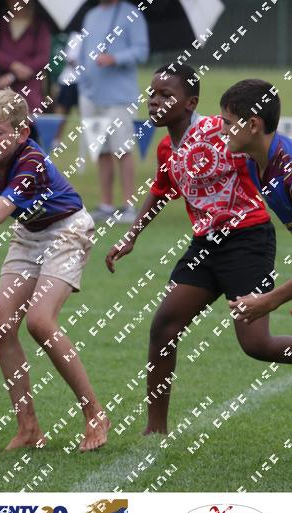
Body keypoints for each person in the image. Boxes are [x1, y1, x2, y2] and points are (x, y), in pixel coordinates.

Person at [105, 65, 292, 435]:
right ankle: (155, 431)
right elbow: (161, 189)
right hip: (206, 245)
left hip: (247, 239)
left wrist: (271, 299)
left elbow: (259, 150)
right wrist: (131, 235)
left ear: (190, 103)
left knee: (256, 344)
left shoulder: (226, 135)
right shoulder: (166, 147)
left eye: (166, 95)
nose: (155, 101)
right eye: (152, 94)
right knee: (164, 326)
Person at [0, 89, 109, 451]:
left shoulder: (32, 162)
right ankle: (28, 427)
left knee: (40, 321)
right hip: (30, 233)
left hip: (68, 229)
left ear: (22, 133)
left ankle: (95, 413)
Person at [221, 79, 292, 322]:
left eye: (228, 122)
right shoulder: (254, 163)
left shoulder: (288, 171)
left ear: (252, 125)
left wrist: (269, 300)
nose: (223, 130)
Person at [78, 0, 149, 224]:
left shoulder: (132, 14)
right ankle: (106, 205)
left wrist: (115, 58)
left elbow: (141, 51)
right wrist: (83, 84)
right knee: (101, 150)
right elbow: (83, 53)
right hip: (91, 96)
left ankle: (129, 207)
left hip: (120, 97)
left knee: (122, 149)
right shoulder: (91, 15)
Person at [0, 0, 51, 118]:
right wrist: (13, 65)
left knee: (27, 124)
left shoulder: (40, 26)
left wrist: (13, 76)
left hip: (29, 92)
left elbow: (42, 57)